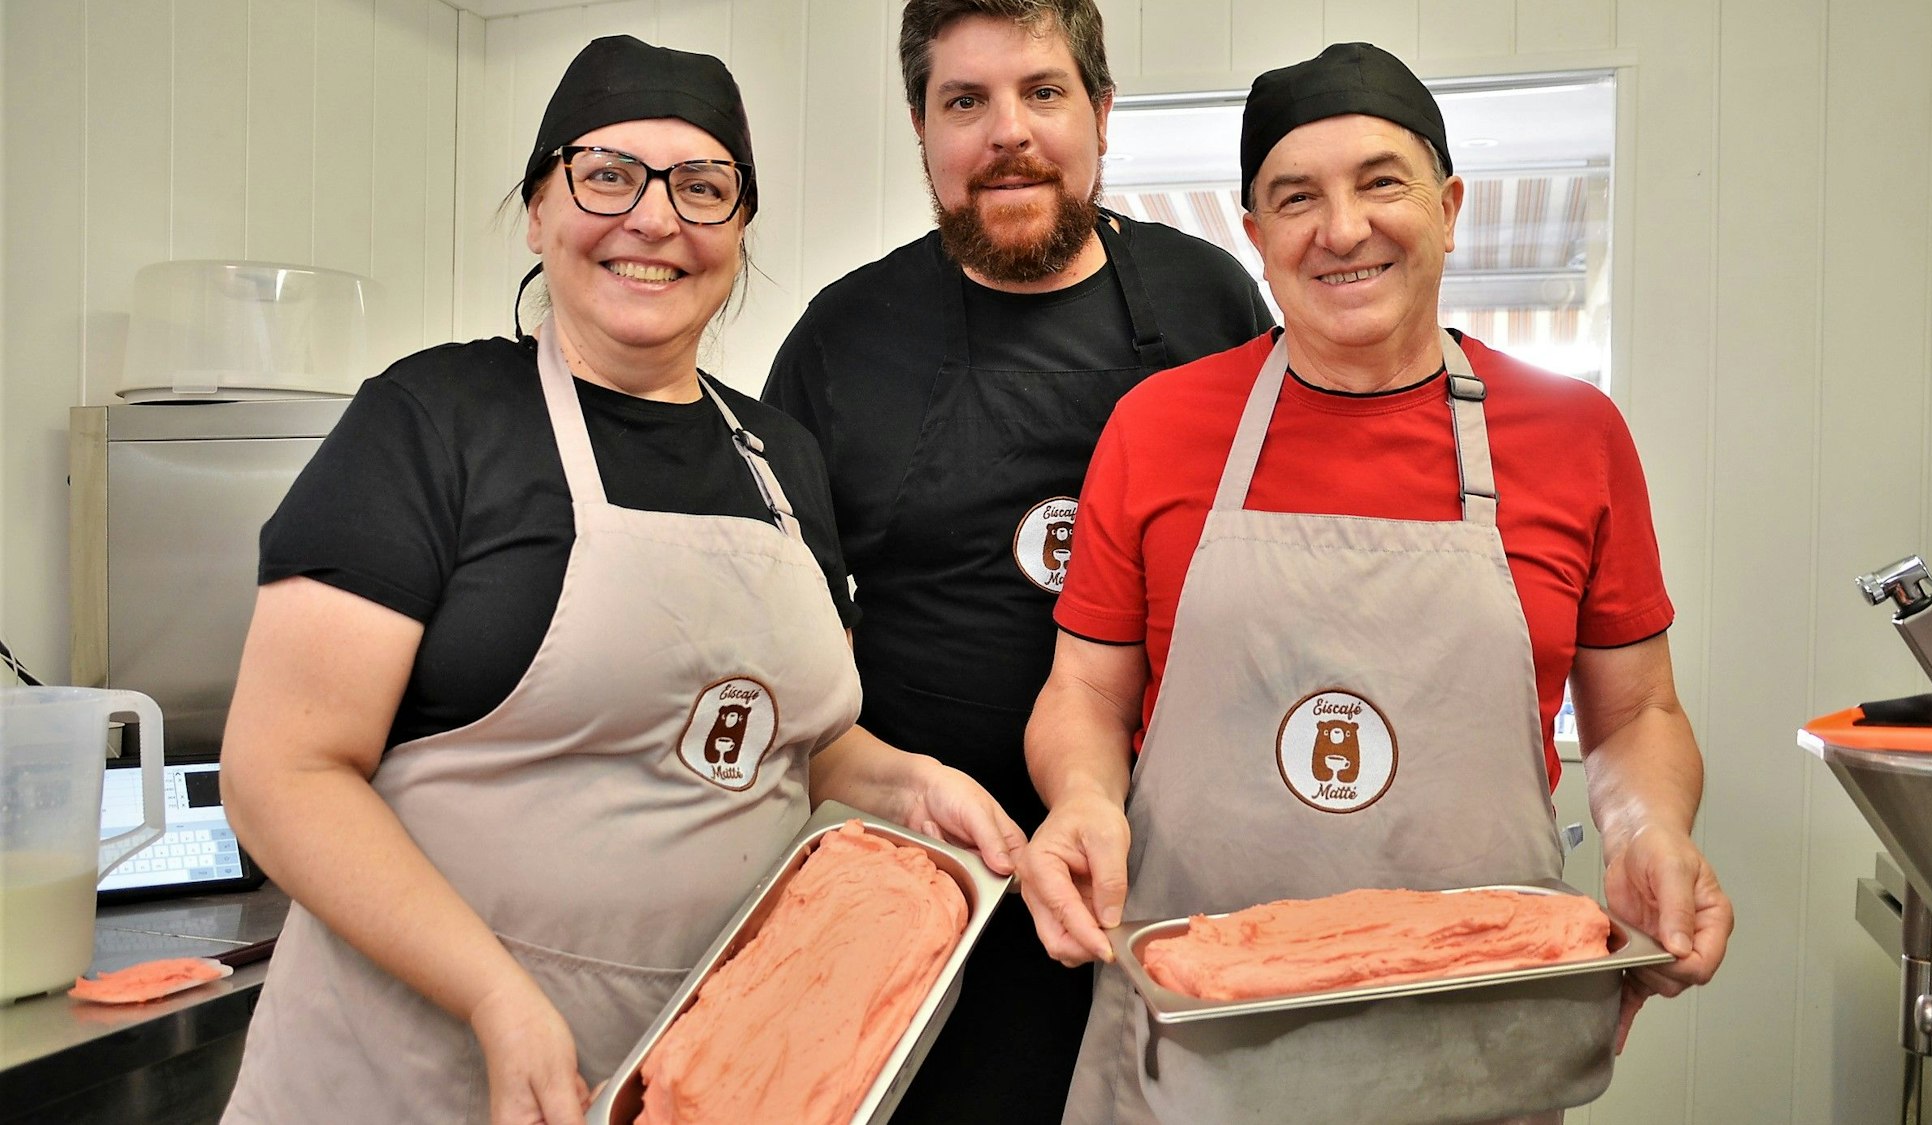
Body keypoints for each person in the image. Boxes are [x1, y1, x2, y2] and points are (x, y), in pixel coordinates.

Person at [219, 36, 1020, 1125]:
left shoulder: (780, 457)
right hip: (411, 1071)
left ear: (738, 231)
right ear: (538, 209)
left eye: (702, 188)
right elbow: (284, 773)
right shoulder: (430, 422)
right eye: (607, 175)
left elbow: (780, 736)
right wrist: (496, 998)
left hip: (695, 1078)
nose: (653, 220)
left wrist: (904, 784)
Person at [1016, 42, 1735, 1124]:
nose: (1341, 229)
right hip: (1193, 1048)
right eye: (1294, 197)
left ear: (1448, 207)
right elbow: (1083, 692)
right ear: (1254, 237)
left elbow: (1636, 712)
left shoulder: (1574, 435)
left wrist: (1645, 831)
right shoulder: (1158, 427)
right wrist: (1078, 798)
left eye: (1380, 182)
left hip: (1473, 1045)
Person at [760, 2, 1272, 1119]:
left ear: (1099, 112)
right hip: (923, 879)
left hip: (1171, 875)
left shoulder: (1213, 306)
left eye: (1042, 92)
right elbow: (782, 643)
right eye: (964, 101)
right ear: (920, 127)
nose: (1008, 132)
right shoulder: (843, 338)